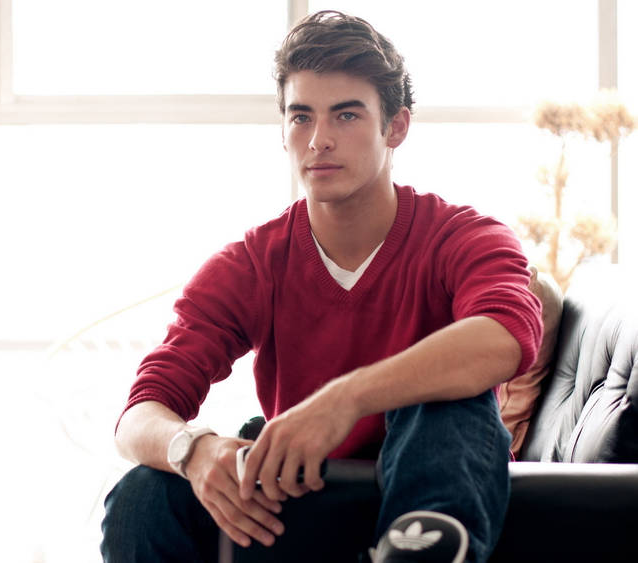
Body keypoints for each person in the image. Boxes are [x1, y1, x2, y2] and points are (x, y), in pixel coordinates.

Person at [101, 10, 542, 563]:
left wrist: (345, 397)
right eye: (301, 117)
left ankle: (417, 549)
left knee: (445, 402)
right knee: (143, 491)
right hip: (304, 493)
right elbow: (141, 412)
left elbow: (504, 335)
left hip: (437, 486)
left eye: (347, 115)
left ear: (396, 127)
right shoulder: (252, 263)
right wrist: (194, 449)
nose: (319, 141)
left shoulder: (464, 235)